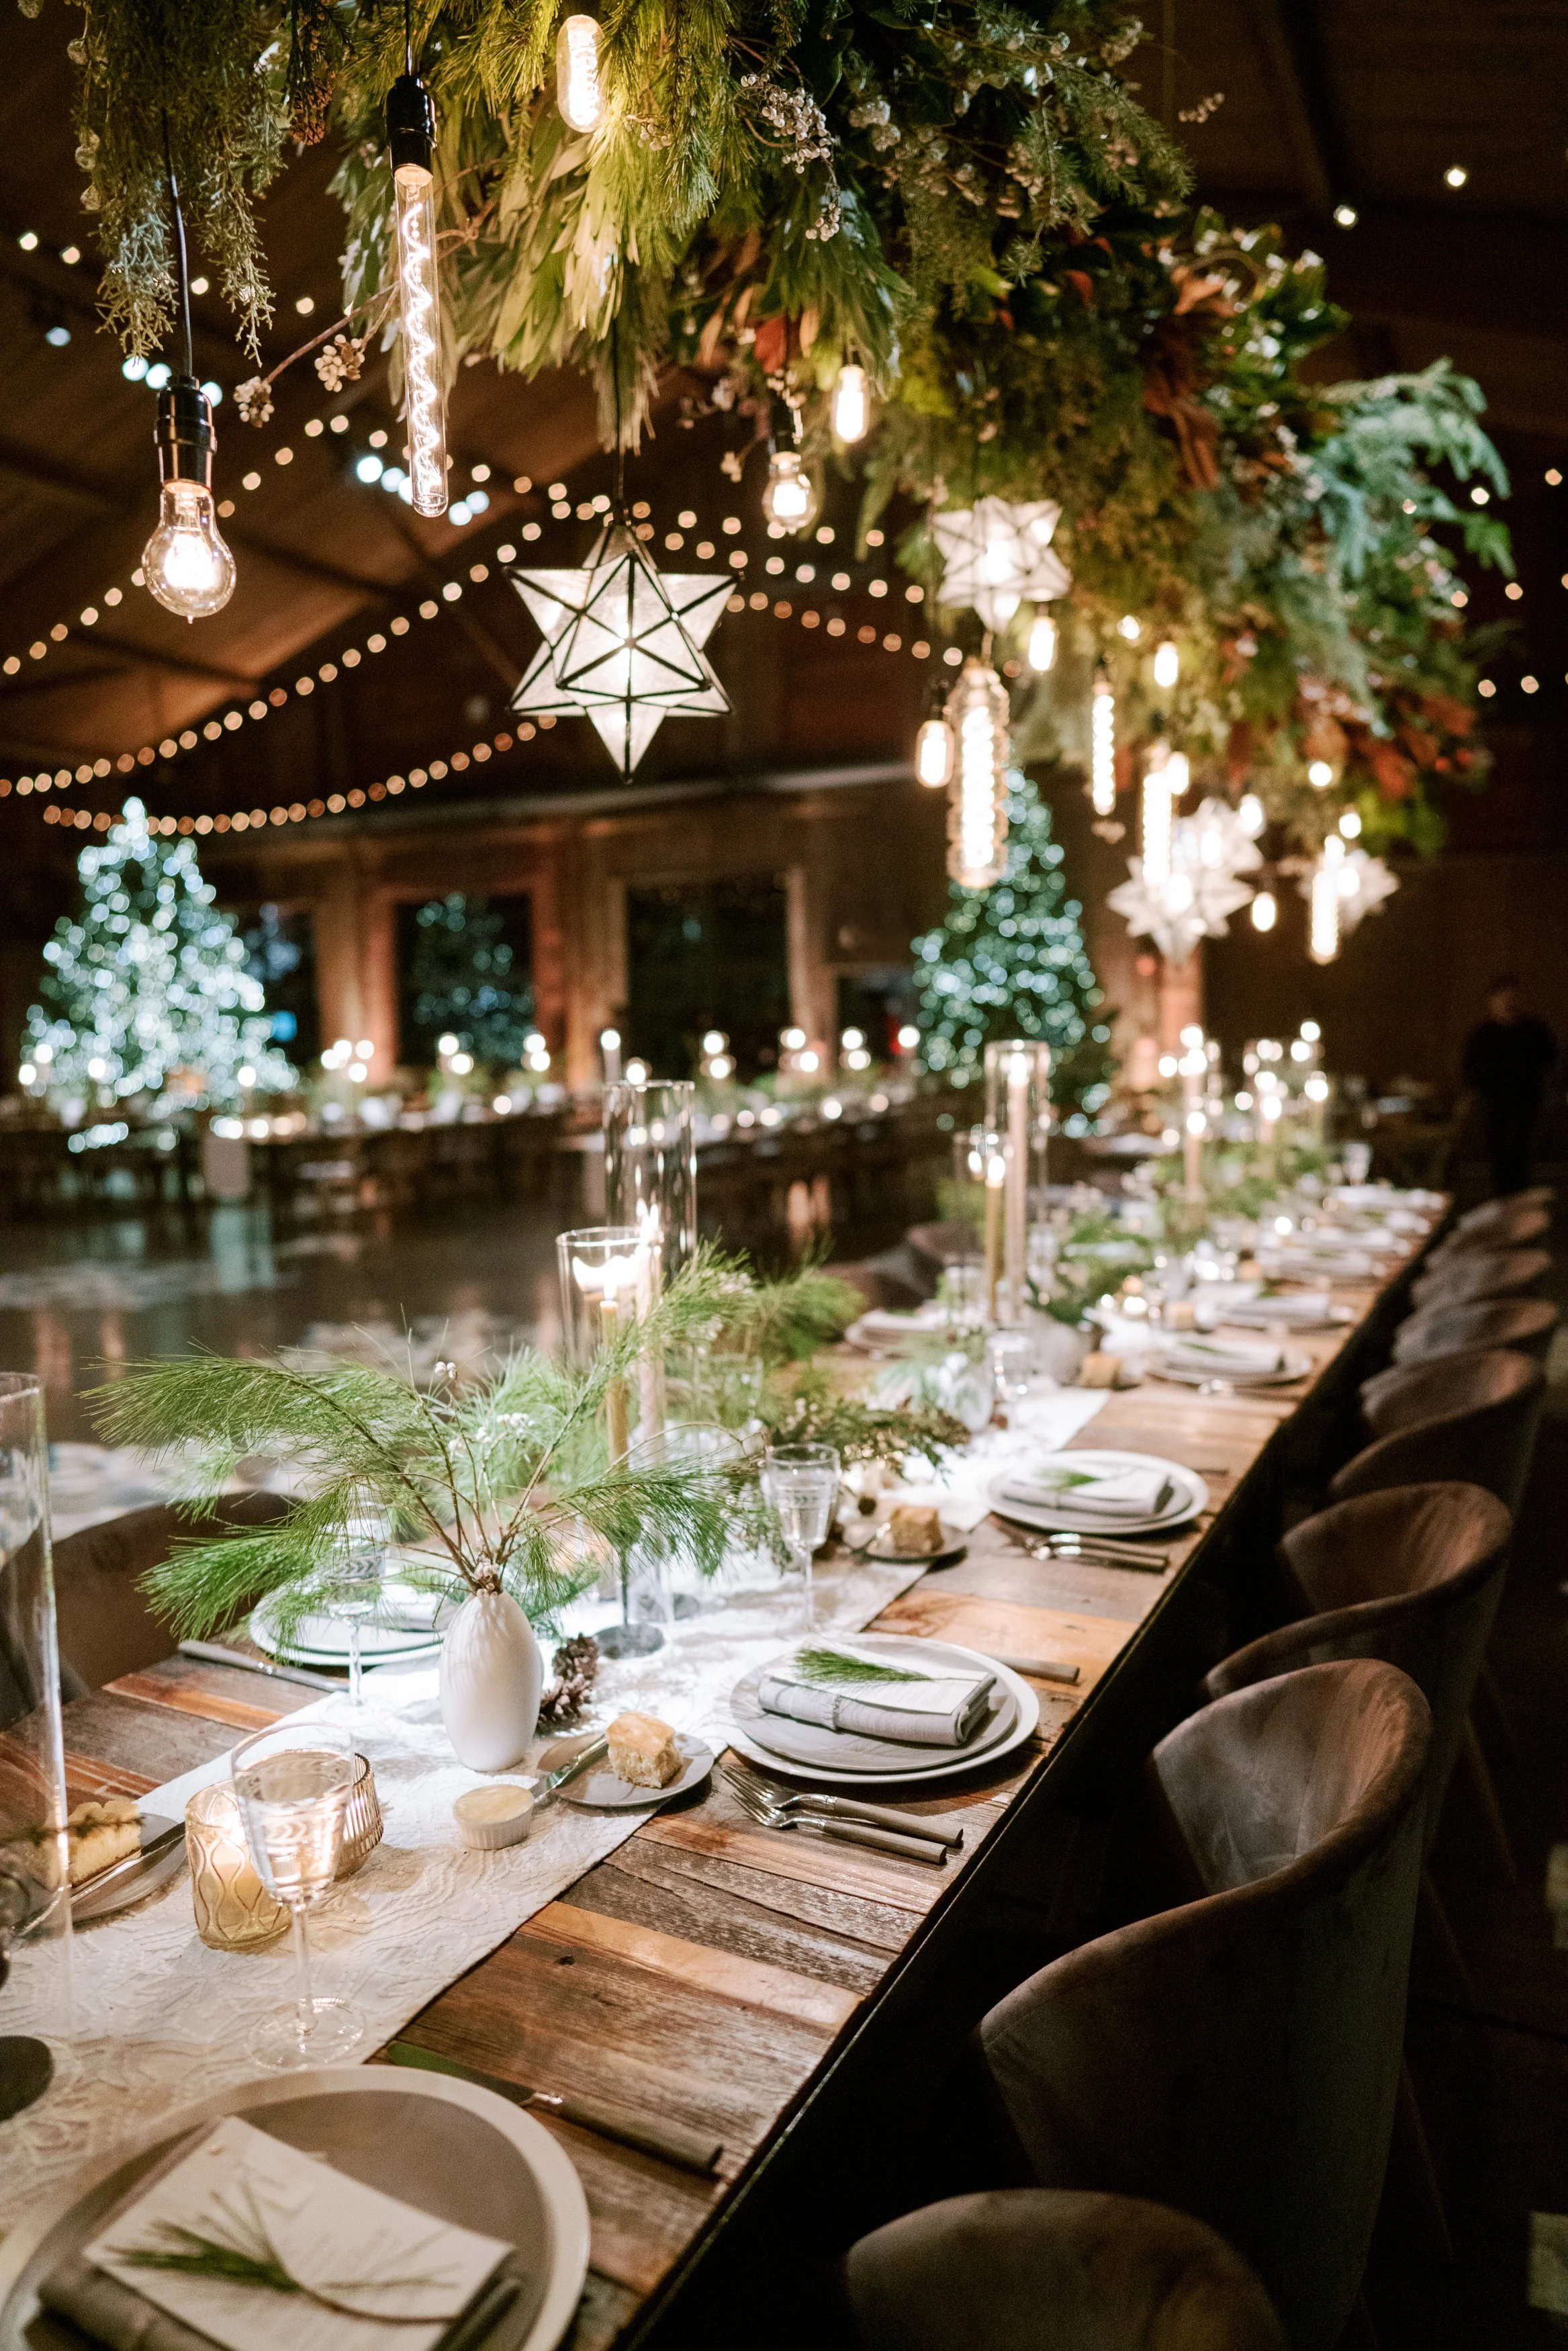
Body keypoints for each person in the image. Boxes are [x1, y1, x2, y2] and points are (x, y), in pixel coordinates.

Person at [1461, 976, 1557, 1198]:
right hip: (1494, 1103)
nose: (1508, 1004)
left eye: (1512, 999)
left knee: (1521, 1149)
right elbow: (1470, 1067)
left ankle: (1519, 1195)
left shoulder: (1534, 1030)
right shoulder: (1483, 1034)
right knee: (1498, 1151)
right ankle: (1501, 1195)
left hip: (1528, 1100)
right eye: (1502, 999)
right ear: (1492, 1002)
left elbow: (1550, 1061)